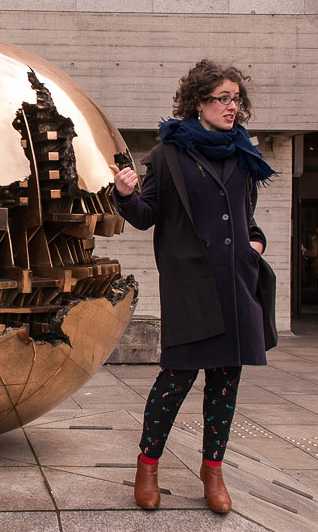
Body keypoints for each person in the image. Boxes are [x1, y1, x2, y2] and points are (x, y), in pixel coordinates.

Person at [109, 59, 276, 513]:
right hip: (190, 285)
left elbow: (248, 218)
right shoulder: (169, 155)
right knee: (175, 380)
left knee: (225, 382)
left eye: (236, 99)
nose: (231, 106)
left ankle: (213, 471)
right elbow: (146, 216)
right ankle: (148, 466)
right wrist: (125, 193)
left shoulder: (244, 156)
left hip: (235, 283)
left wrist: (255, 245)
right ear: (199, 102)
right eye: (222, 98)